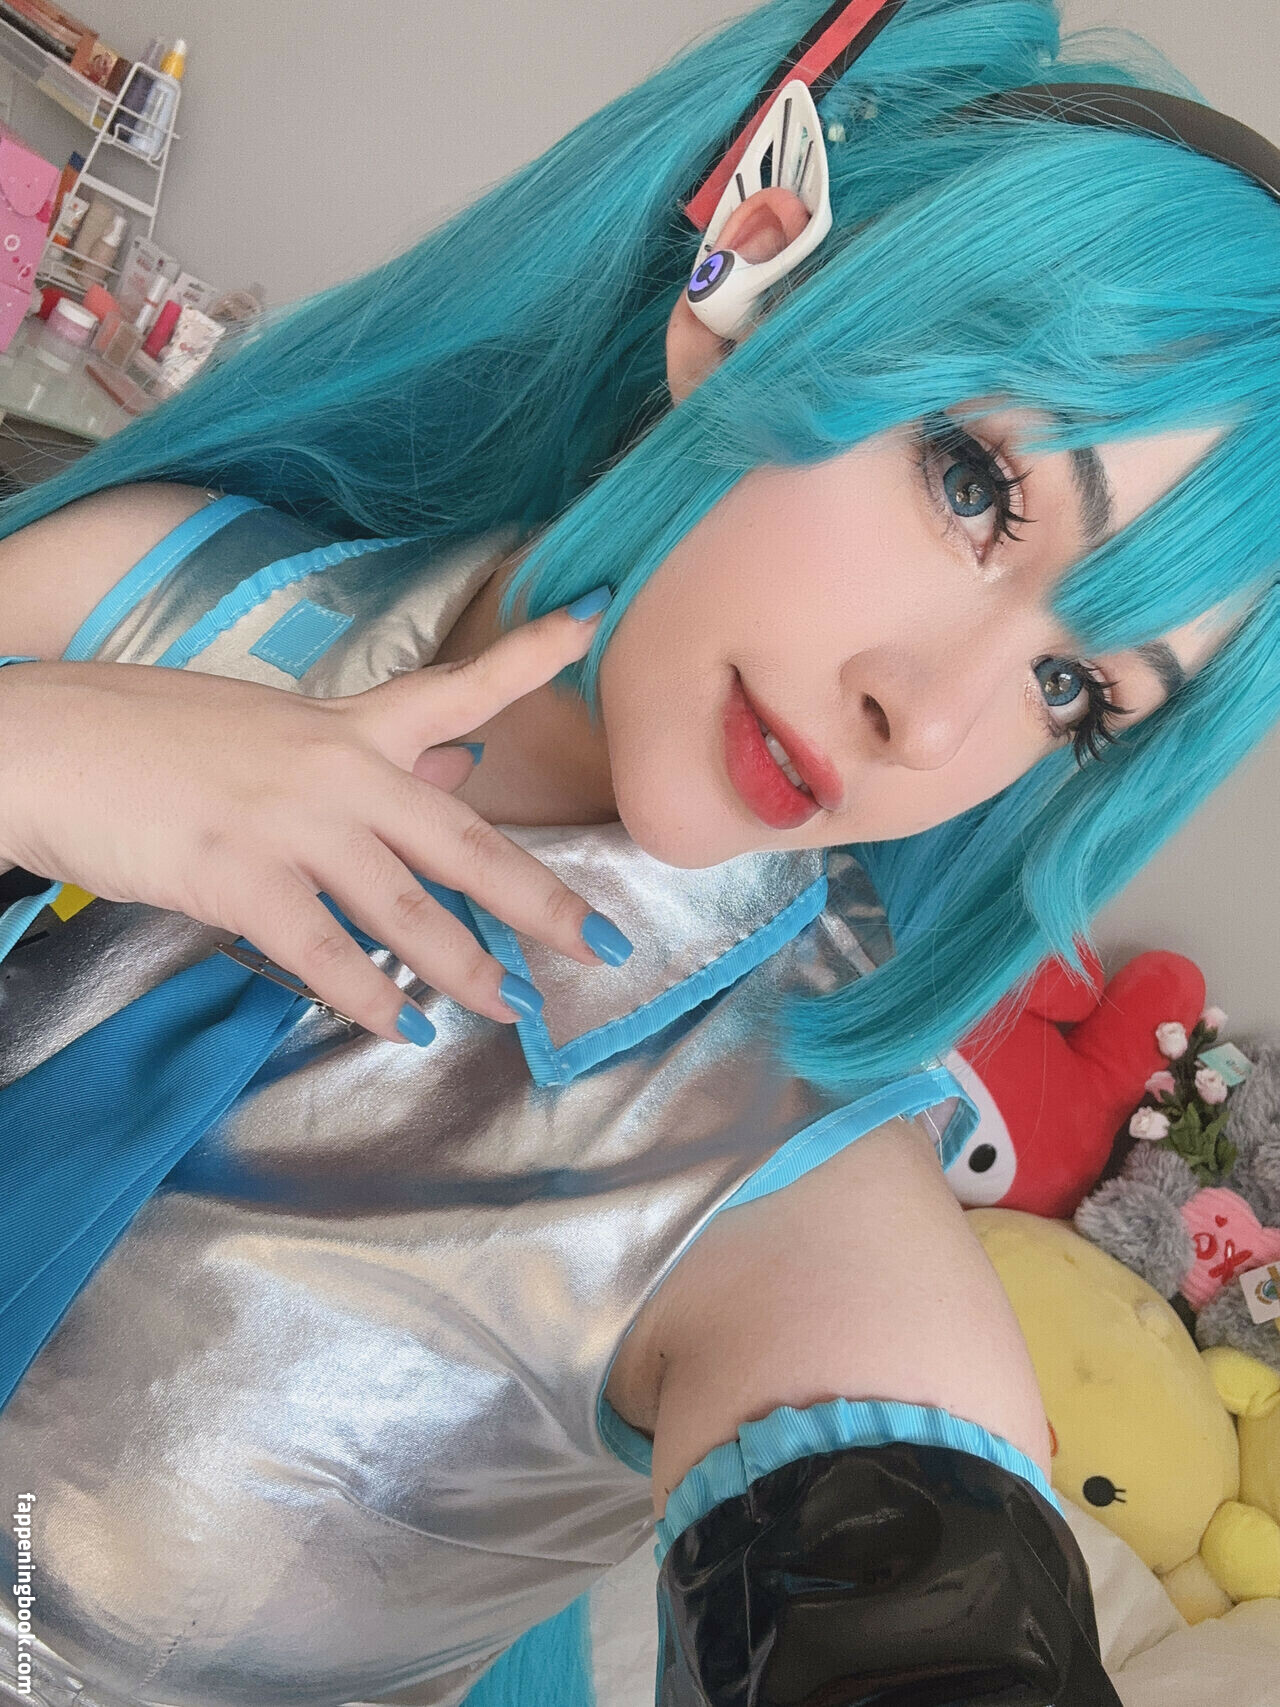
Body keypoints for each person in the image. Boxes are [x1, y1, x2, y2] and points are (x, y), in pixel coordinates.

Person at [0, 0, 1277, 1703]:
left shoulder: (797, 1205)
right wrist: (35, 748)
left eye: (1076, 690)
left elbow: (914, 1571)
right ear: (760, 281)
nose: (930, 721)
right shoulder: (164, 593)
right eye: (975, 485)